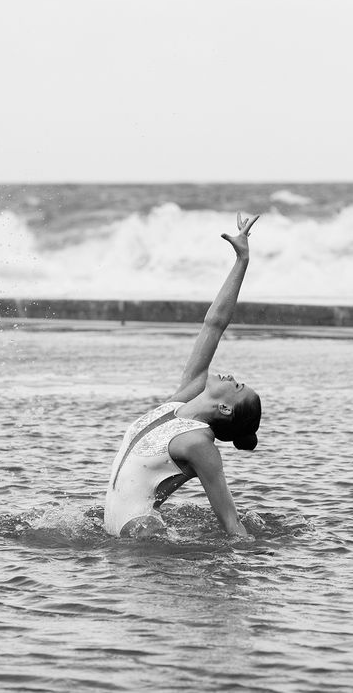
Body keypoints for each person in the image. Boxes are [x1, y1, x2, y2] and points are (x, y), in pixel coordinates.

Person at [104, 212, 262, 538]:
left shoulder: (199, 443)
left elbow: (231, 522)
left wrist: (256, 567)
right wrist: (241, 260)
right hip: (122, 540)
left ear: (226, 409)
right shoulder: (180, 401)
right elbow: (213, 325)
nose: (232, 376)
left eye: (238, 385)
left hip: (140, 539)